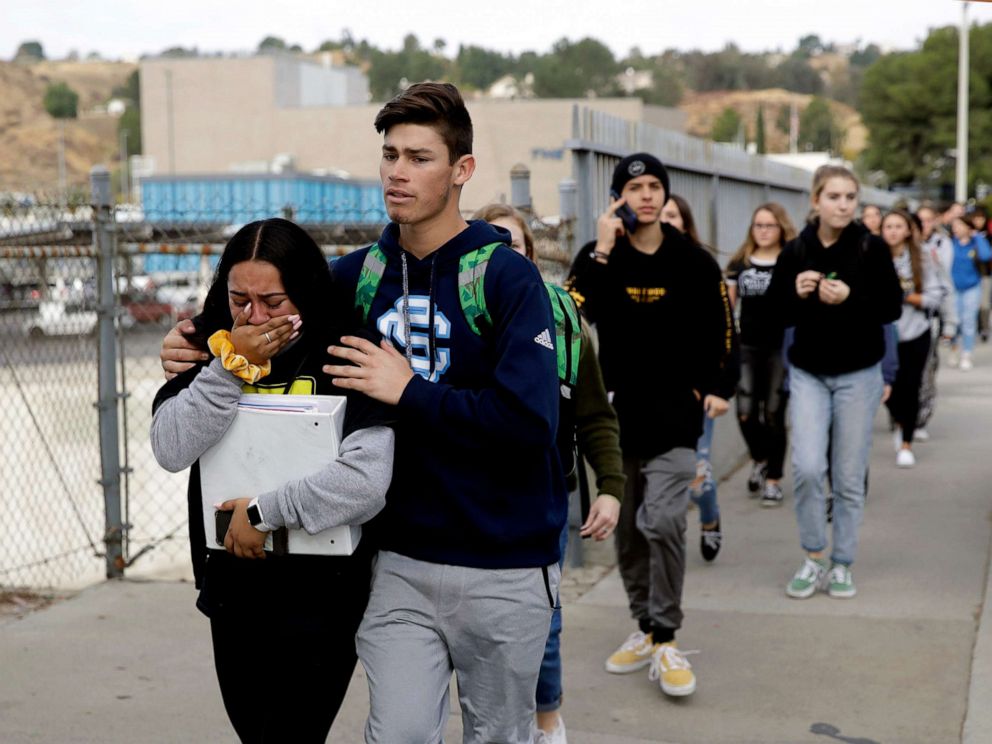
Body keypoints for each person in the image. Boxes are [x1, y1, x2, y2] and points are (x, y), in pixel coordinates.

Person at [322, 82, 565, 743]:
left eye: (419, 157)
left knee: (497, 736)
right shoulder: (354, 278)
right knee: (397, 734)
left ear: (462, 170)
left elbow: (528, 424)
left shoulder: (507, 280)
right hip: (399, 560)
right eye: (390, 154)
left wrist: (411, 392)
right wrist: (203, 344)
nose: (398, 171)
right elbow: (266, 318)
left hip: (506, 565)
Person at [149, 218, 395, 743]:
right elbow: (170, 447)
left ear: (304, 292)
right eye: (241, 299)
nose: (255, 316)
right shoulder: (208, 341)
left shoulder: (345, 349)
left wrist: (263, 512)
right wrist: (230, 368)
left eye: (274, 302)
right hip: (234, 589)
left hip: (324, 594)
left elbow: (368, 479)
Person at [566, 153, 733, 698]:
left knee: (662, 519)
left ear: (665, 195)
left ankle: (666, 633)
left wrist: (716, 388)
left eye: (654, 186)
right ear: (618, 198)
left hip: (677, 418)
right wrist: (604, 248)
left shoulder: (693, 261)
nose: (645, 195)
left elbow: (722, 328)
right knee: (631, 532)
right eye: (634, 187)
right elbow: (573, 312)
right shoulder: (600, 256)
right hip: (618, 421)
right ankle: (646, 628)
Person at [475, 202, 624, 744]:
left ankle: (546, 722)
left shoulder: (562, 318)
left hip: (542, 496)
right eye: (489, 247)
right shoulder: (463, 318)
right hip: (468, 494)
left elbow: (595, 415)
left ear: (530, 256)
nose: (502, 257)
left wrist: (609, 488)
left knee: (544, 619)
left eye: (512, 245)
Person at [767, 165, 902, 600]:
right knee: (806, 467)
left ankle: (843, 561)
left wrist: (850, 298)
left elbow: (891, 308)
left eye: (850, 197)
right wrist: (796, 291)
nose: (843, 204)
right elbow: (773, 313)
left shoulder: (871, 246)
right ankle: (813, 555)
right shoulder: (796, 250)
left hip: (859, 375)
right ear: (816, 200)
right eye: (834, 196)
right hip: (807, 372)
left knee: (847, 474)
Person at [660, 193, 738, 557]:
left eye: (672, 215)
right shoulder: (631, 265)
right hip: (650, 394)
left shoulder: (701, 266)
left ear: (684, 222)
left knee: (696, 471)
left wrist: (720, 388)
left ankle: (710, 516)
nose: (664, 220)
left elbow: (726, 333)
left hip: (696, 391)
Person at [725, 203, 798, 506]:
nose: (764, 230)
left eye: (770, 225)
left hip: (779, 347)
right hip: (748, 347)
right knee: (744, 411)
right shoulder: (740, 261)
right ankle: (759, 458)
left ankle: (773, 479)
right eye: (759, 225)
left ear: (781, 228)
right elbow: (727, 309)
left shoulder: (791, 259)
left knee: (773, 413)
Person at [880, 209, 945, 468]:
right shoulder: (873, 258)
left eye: (898, 226)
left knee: (911, 385)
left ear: (908, 230)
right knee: (889, 389)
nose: (893, 231)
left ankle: (906, 441)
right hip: (884, 334)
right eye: (888, 226)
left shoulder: (923, 259)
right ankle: (898, 420)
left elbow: (936, 294)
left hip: (915, 331)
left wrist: (907, 297)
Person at [948, 214, 992, 370]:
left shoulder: (975, 243)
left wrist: (977, 237)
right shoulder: (951, 243)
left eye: (959, 225)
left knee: (968, 321)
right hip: (954, 288)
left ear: (968, 227)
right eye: (954, 226)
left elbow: (987, 255)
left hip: (972, 287)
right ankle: (954, 348)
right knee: (955, 321)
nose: (956, 229)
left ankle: (967, 353)